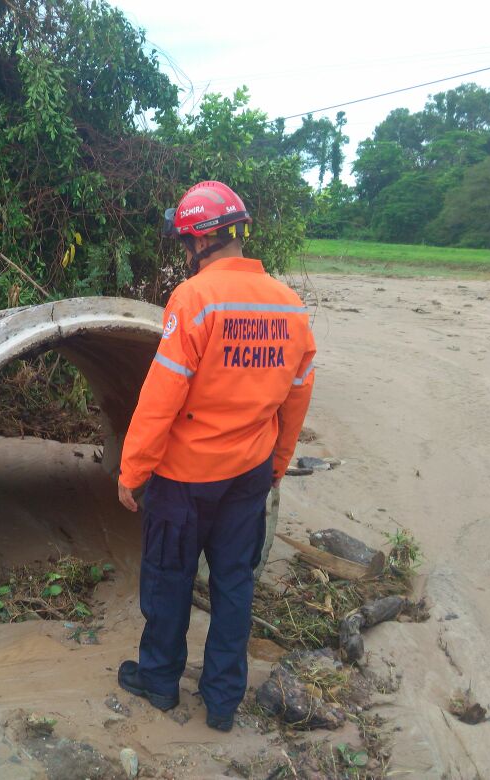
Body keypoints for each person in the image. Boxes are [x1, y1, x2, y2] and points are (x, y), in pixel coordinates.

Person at [115, 180, 316, 731]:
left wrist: (132, 470)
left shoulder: (195, 300)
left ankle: (159, 681)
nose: (182, 254)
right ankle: (223, 699)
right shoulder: (291, 306)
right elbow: (297, 396)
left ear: (201, 242)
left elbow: (162, 395)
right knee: (233, 583)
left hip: (185, 477)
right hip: (249, 473)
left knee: (169, 577)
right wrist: (277, 465)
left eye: (183, 242)